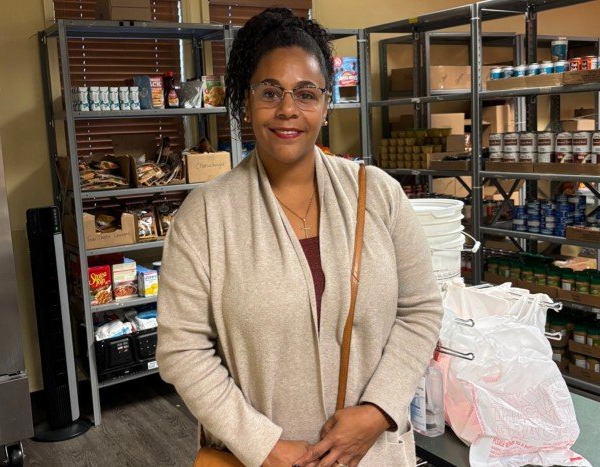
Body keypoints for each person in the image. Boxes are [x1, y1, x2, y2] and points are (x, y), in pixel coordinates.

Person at [156, 8, 443, 467]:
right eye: (270, 92)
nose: (288, 109)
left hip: (374, 454)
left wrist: (379, 410)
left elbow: (420, 309)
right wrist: (262, 445)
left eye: (306, 94)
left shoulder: (380, 195)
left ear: (326, 105)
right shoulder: (206, 216)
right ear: (244, 103)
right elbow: (183, 350)